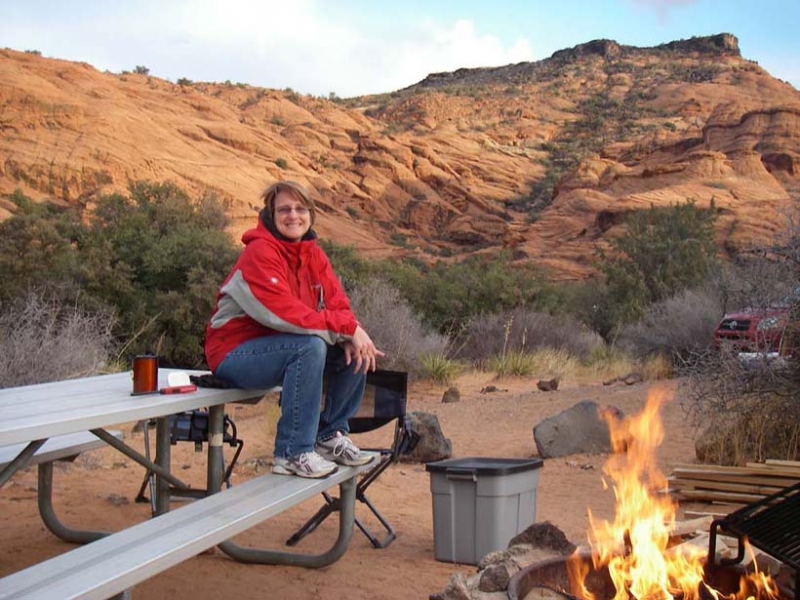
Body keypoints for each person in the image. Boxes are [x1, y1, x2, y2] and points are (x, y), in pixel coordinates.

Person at [204, 180, 384, 478]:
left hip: (279, 349)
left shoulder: (313, 255)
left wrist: (351, 333)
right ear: (271, 215)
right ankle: (292, 452)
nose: (293, 216)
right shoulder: (259, 253)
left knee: (352, 350)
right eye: (284, 209)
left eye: (300, 209)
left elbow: (338, 304)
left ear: (311, 214)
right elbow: (284, 314)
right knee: (311, 346)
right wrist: (346, 329)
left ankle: (329, 436)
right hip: (233, 354)